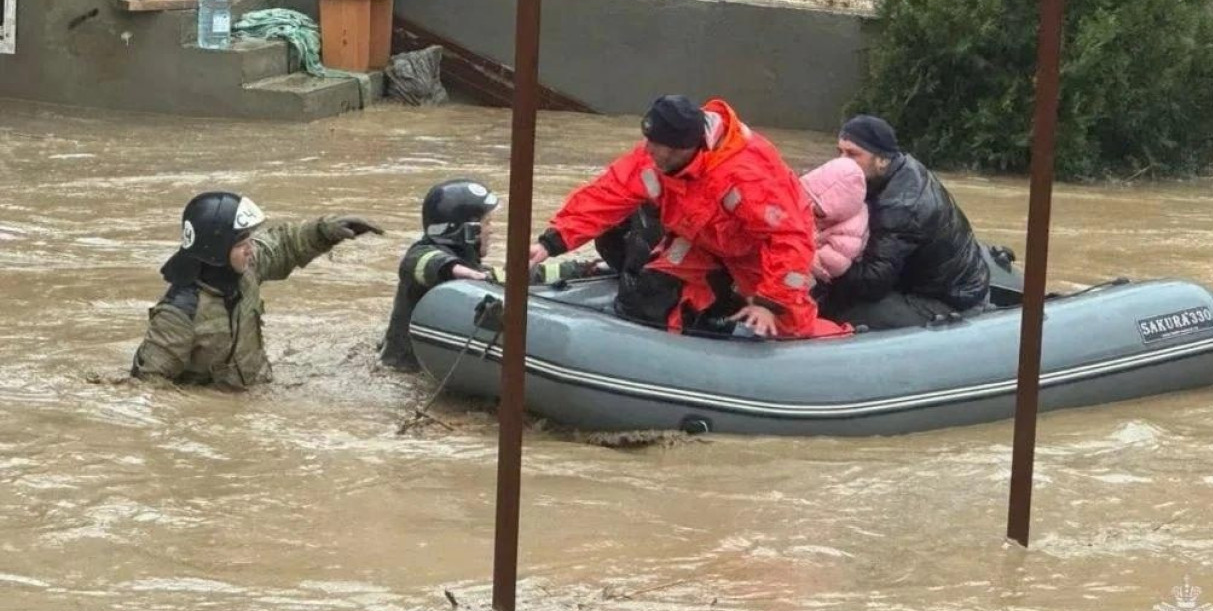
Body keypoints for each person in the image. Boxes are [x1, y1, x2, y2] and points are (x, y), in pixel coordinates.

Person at [527, 95, 836, 339]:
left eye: (655, 144)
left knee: (789, 329)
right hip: (701, 242)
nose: (646, 148)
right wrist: (552, 242)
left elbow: (788, 237)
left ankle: (842, 339)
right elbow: (608, 193)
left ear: (682, 147)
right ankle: (673, 352)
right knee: (650, 292)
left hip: (757, 256)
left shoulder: (746, 174)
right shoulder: (658, 158)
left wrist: (772, 302)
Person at [131, 191, 384, 389]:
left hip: (256, 390)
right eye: (242, 243)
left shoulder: (246, 269)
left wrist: (325, 231)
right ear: (216, 250)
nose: (251, 249)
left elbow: (285, 244)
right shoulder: (179, 314)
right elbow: (151, 388)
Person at [820, 115, 990, 329]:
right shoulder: (891, 171)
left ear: (882, 159)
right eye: (840, 153)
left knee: (838, 312)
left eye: (853, 154)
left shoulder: (902, 205)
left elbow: (874, 281)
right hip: (920, 278)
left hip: (949, 300)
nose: (842, 162)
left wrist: (822, 265)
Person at [379, 179, 501, 372]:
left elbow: (512, 277)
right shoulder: (422, 254)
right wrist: (457, 270)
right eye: (487, 222)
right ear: (469, 230)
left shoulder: (473, 266)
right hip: (405, 371)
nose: (491, 230)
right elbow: (424, 262)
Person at [799, 157, 869, 285]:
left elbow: (833, 266)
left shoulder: (851, 231)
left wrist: (801, 248)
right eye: (809, 198)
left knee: (791, 283)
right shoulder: (804, 197)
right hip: (798, 251)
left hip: (815, 274)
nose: (811, 206)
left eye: (818, 208)